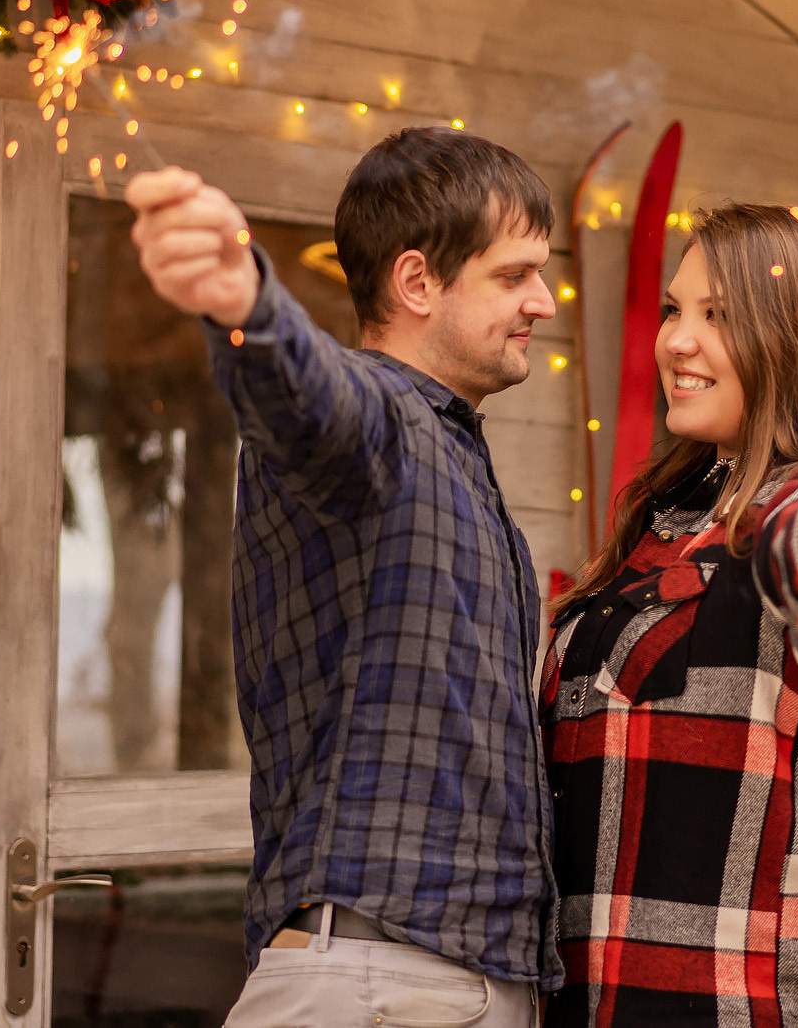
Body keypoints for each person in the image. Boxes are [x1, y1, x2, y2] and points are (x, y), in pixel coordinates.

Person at [126, 127, 563, 1028]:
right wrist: (244, 298)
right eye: (515, 275)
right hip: (378, 981)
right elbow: (309, 396)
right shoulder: (380, 424)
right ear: (416, 283)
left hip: (434, 983)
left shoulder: (456, 459)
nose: (544, 302)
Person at [543, 202, 798, 1028]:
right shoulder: (668, 514)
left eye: (717, 317)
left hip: (756, 1005)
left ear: (792, 337)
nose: (676, 341)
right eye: (673, 309)